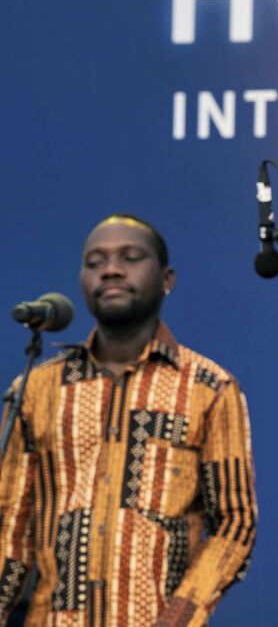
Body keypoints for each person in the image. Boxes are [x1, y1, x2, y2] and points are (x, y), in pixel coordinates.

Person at [0, 214, 257, 627]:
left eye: (131, 257)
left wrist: (180, 615)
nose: (111, 269)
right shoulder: (35, 388)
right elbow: (10, 530)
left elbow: (235, 523)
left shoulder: (210, 388)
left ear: (167, 279)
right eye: (95, 261)